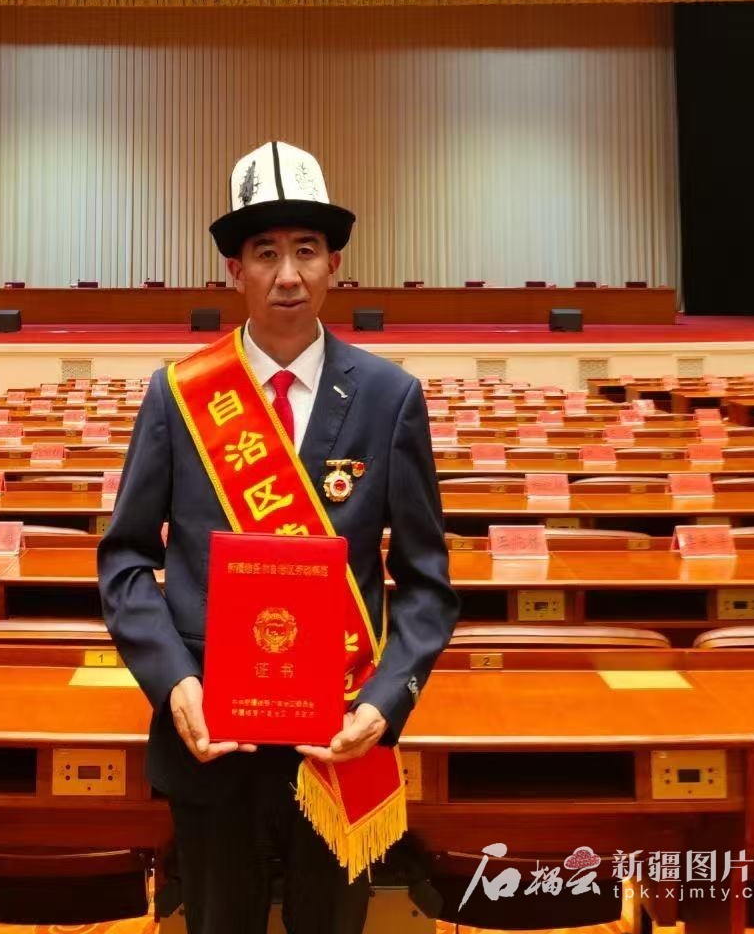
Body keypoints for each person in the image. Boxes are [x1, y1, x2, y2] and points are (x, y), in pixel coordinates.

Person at [98, 141, 458, 934]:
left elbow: (427, 584)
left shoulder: (390, 398)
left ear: (335, 266)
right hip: (211, 743)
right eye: (265, 253)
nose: (287, 274)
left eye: (306, 250)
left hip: (340, 742)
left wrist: (383, 704)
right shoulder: (179, 396)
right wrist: (175, 685)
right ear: (235, 271)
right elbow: (125, 559)